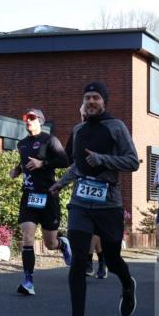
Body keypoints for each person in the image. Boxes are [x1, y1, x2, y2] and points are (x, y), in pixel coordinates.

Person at [50, 82, 139, 316]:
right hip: (80, 202)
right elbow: (78, 165)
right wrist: (61, 183)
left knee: (111, 258)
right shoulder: (78, 130)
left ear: (104, 101)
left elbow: (132, 161)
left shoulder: (116, 127)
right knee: (79, 260)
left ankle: (127, 284)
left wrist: (103, 159)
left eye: (96, 97)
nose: (91, 101)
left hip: (109, 203)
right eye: (87, 97)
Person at [10, 108, 72, 295]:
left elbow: (65, 161)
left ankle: (62, 244)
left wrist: (43, 163)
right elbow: (24, 162)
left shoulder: (50, 140)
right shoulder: (21, 144)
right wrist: (17, 170)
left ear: (40, 121)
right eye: (26, 118)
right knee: (27, 237)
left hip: (48, 195)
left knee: (50, 243)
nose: (28, 121)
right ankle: (28, 282)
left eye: (32, 118)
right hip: (29, 195)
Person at [66, 103, 106, 279]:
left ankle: (100, 260)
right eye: (82, 116)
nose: (84, 119)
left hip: (102, 186)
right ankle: (89, 261)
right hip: (82, 186)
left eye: (86, 116)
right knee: (84, 228)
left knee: (96, 228)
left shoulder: (105, 130)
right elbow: (67, 158)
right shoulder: (77, 131)